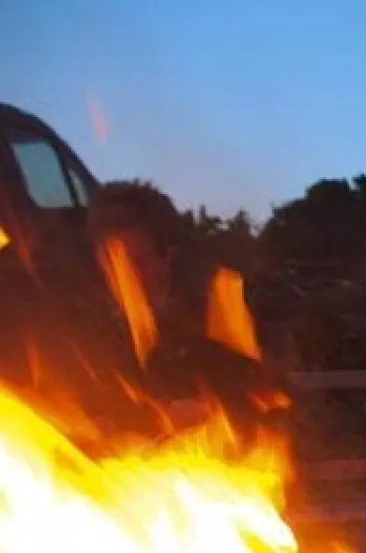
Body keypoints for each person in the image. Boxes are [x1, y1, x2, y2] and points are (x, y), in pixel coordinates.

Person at [85, 180, 277, 431]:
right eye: (111, 263)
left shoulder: (219, 311)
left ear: (168, 253)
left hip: (216, 462)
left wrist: (213, 408)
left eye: (138, 262)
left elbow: (270, 400)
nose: (124, 277)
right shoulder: (87, 326)